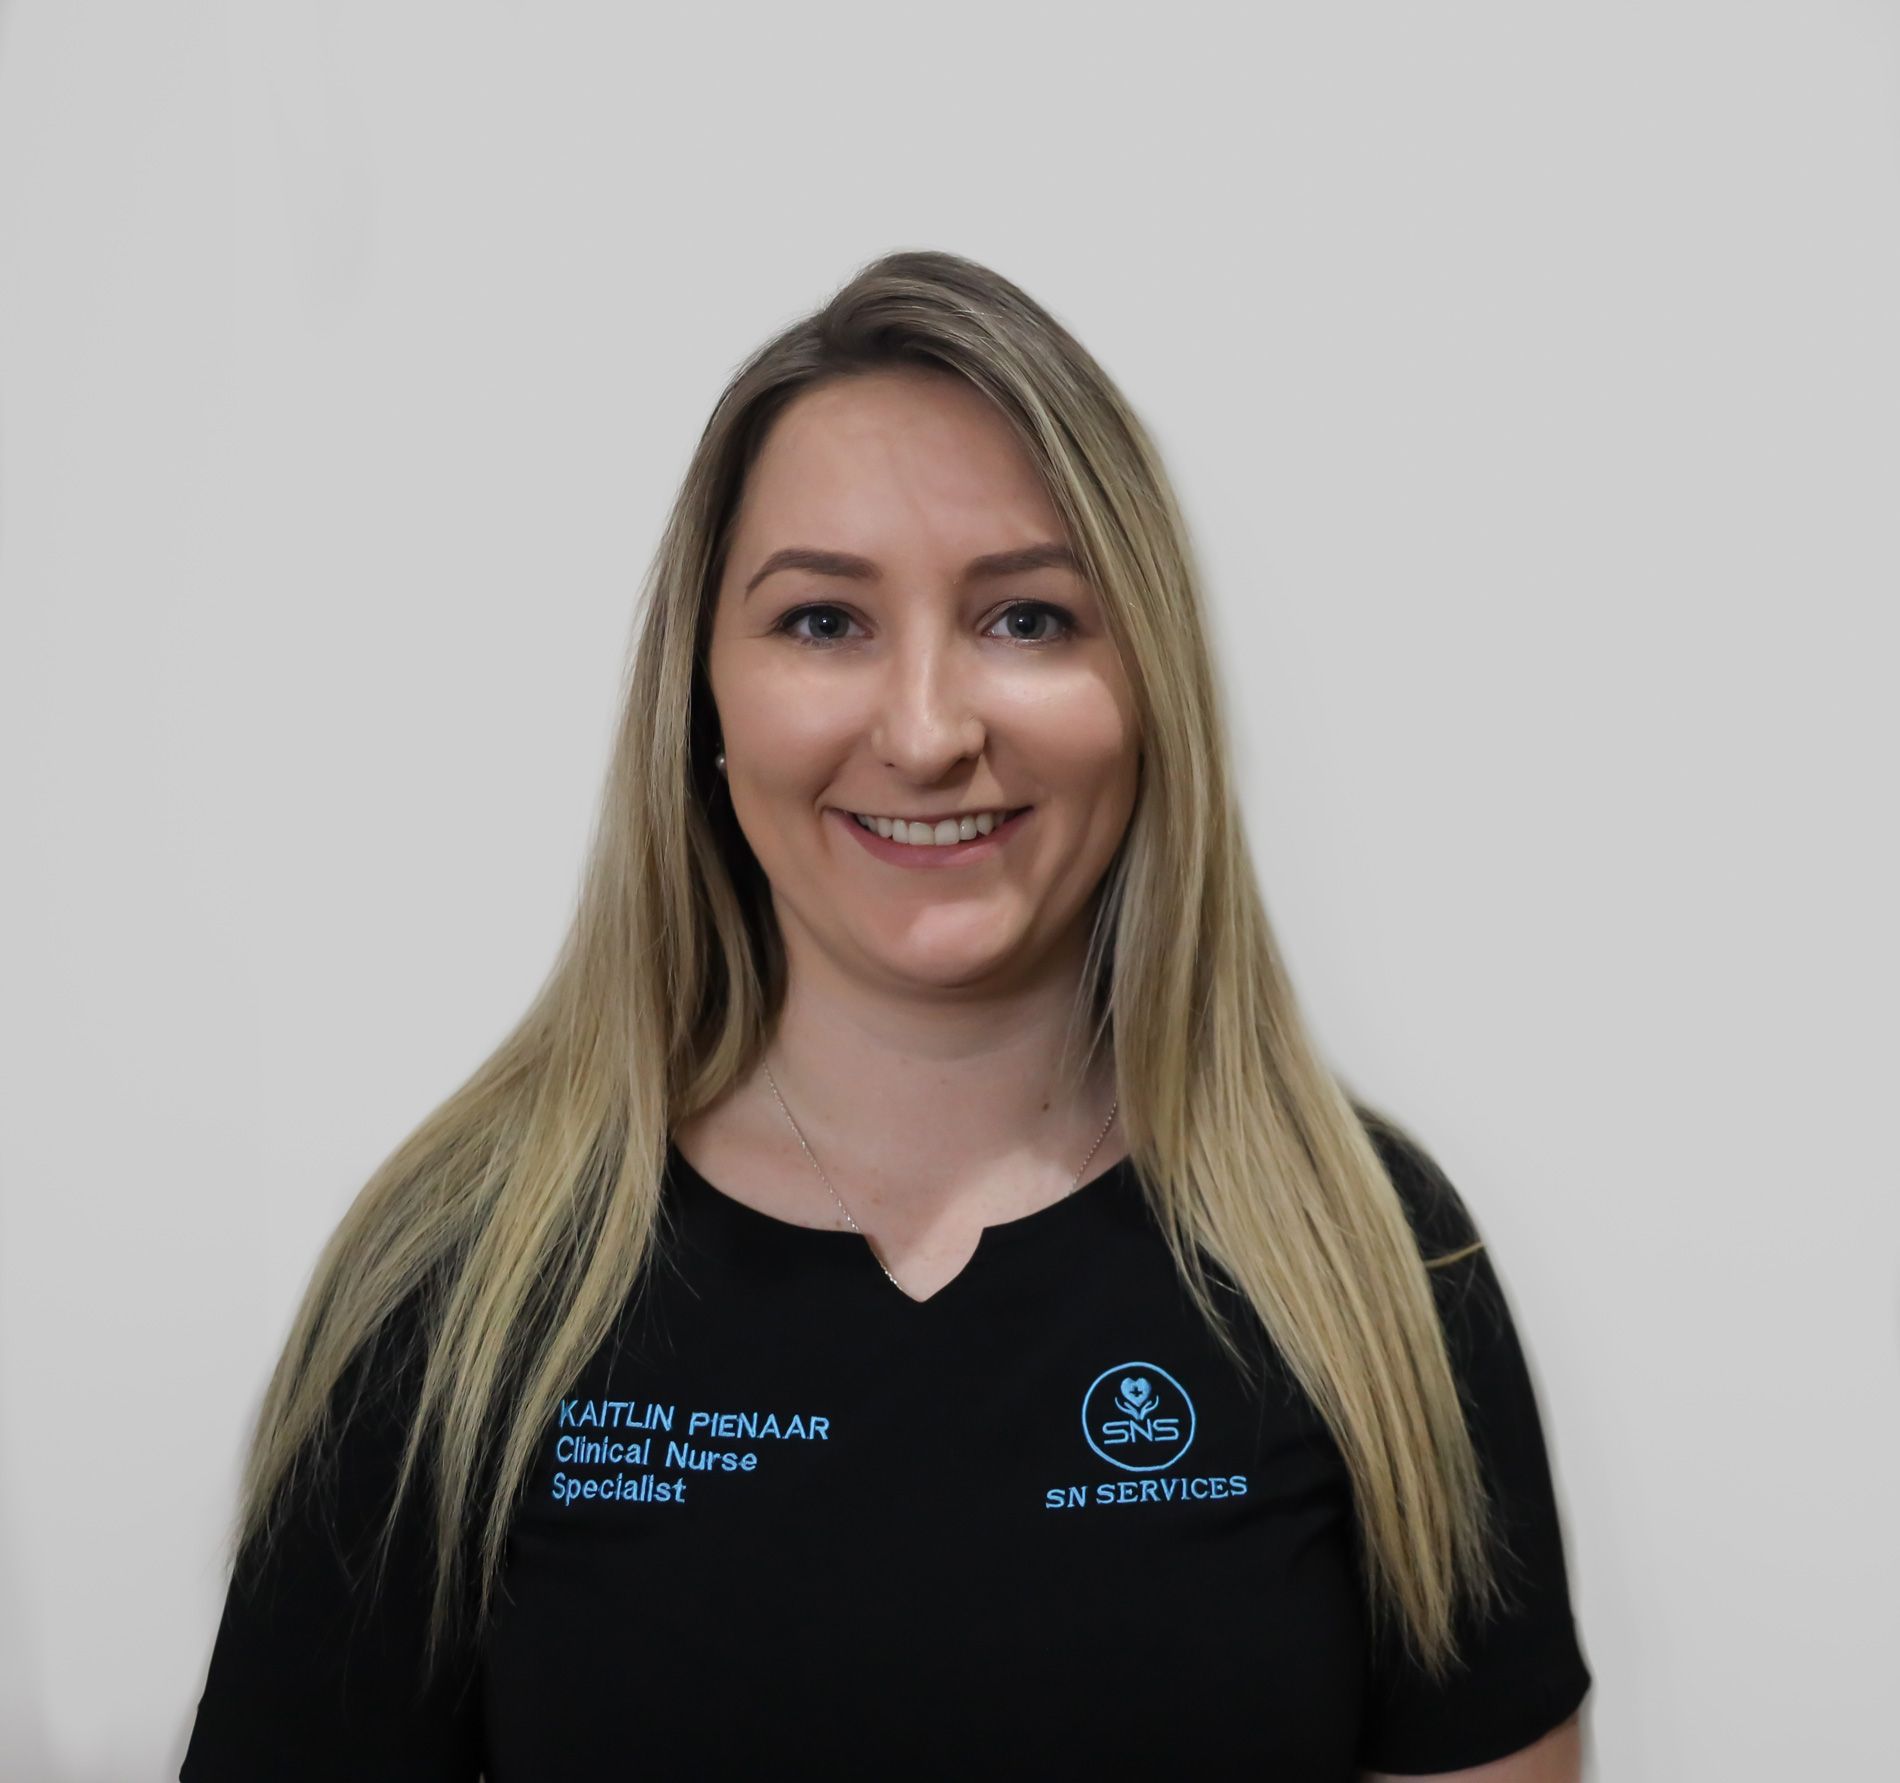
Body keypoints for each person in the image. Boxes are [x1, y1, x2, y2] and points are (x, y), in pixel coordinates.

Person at [179, 249, 1592, 1780]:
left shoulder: (1372, 1260)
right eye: (823, 623)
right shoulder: (464, 1280)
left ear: (1151, 691)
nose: (925, 734)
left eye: (1029, 618)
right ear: (705, 701)